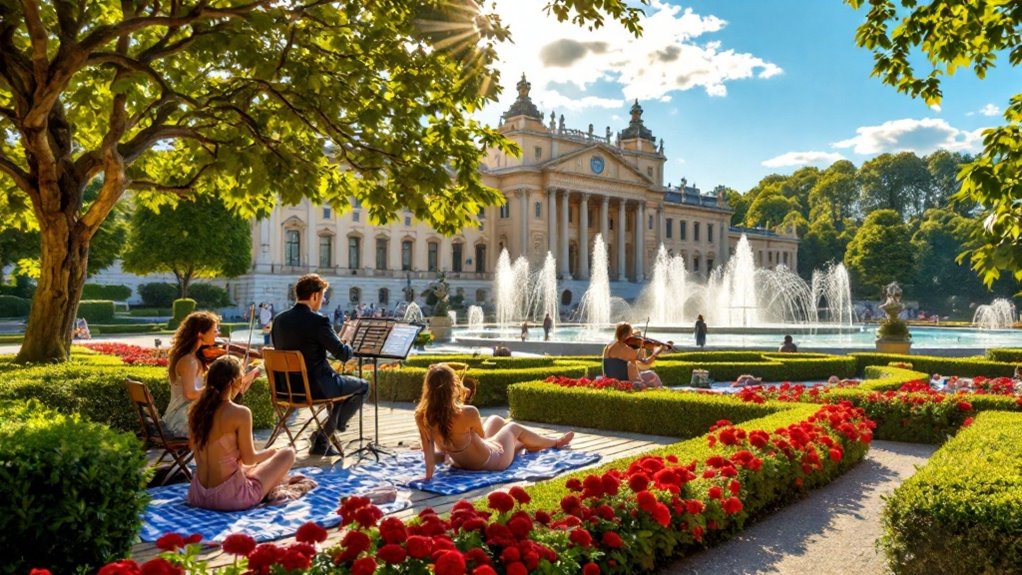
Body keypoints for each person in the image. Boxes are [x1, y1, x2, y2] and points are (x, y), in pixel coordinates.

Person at [415, 364, 573, 480]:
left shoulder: (421, 416)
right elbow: (482, 437)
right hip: (491, 462)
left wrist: (428, 477)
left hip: (460, 463)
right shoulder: (469, 412)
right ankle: (555, 442)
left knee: (495, 419)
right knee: (512, 427)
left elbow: (428, 454)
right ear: (452, 387)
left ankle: (524, 444)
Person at [187, 356, 306, 511]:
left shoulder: (195, 411)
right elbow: (250, 459)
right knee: (288, 453)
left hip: (198, 495)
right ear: (235, 381)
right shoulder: (240, 413)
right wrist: (271, 453)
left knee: (246, 469)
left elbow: (195, 447)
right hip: (229, 499)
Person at [271, 274, 369, 456]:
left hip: (286, 388)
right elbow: (342, 354)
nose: (323, 301)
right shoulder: (318, 321)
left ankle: (322, 437)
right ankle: (325, 434)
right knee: (362, 386)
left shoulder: (279, 320)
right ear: (314, 295)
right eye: (323, 296)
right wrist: (348, 338)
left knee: (340, 389)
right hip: (316, 387)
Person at [163, 312, 261, 437]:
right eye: (214, 330)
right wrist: (217, 385)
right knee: (235, 419)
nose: (218, 333)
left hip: (189, 414)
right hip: (182, 420)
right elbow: (190, 393)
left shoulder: (194, 357)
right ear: (200, 334)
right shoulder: (189, 361)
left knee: (233, 410)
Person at [602, 322, 666, 389]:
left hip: (612, 380)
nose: (632, 335)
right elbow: (646, 364)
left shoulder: (608, 347)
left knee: (647, 375)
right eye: (631, 333)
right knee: (652, 375)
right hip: (629, 381)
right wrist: (657, 352)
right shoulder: (628, 350)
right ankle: (661, 390)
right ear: (626, 335)